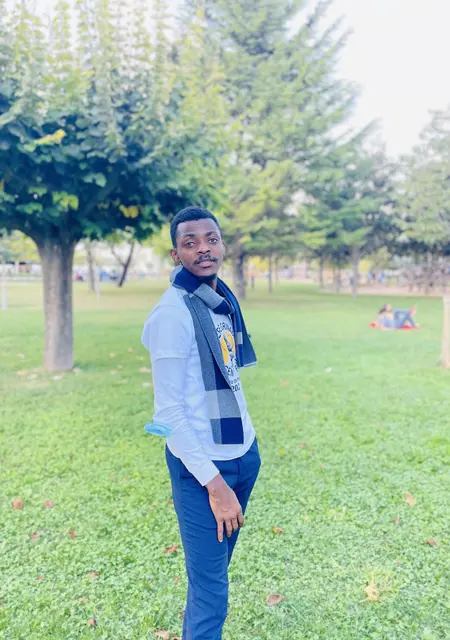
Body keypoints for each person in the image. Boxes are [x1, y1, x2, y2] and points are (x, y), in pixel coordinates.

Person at [141, 206, 261, 640]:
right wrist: (216, 486)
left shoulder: (220, 301)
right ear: (177, 255)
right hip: (203, 471)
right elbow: (168, 415)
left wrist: (249, 453)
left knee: (213, 577)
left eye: (211, 239)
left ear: (222, 245)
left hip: (242, 455)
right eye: (190, 243)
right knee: (212, 592)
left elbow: (230, 378)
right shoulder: (172, 314)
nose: (203, 249)